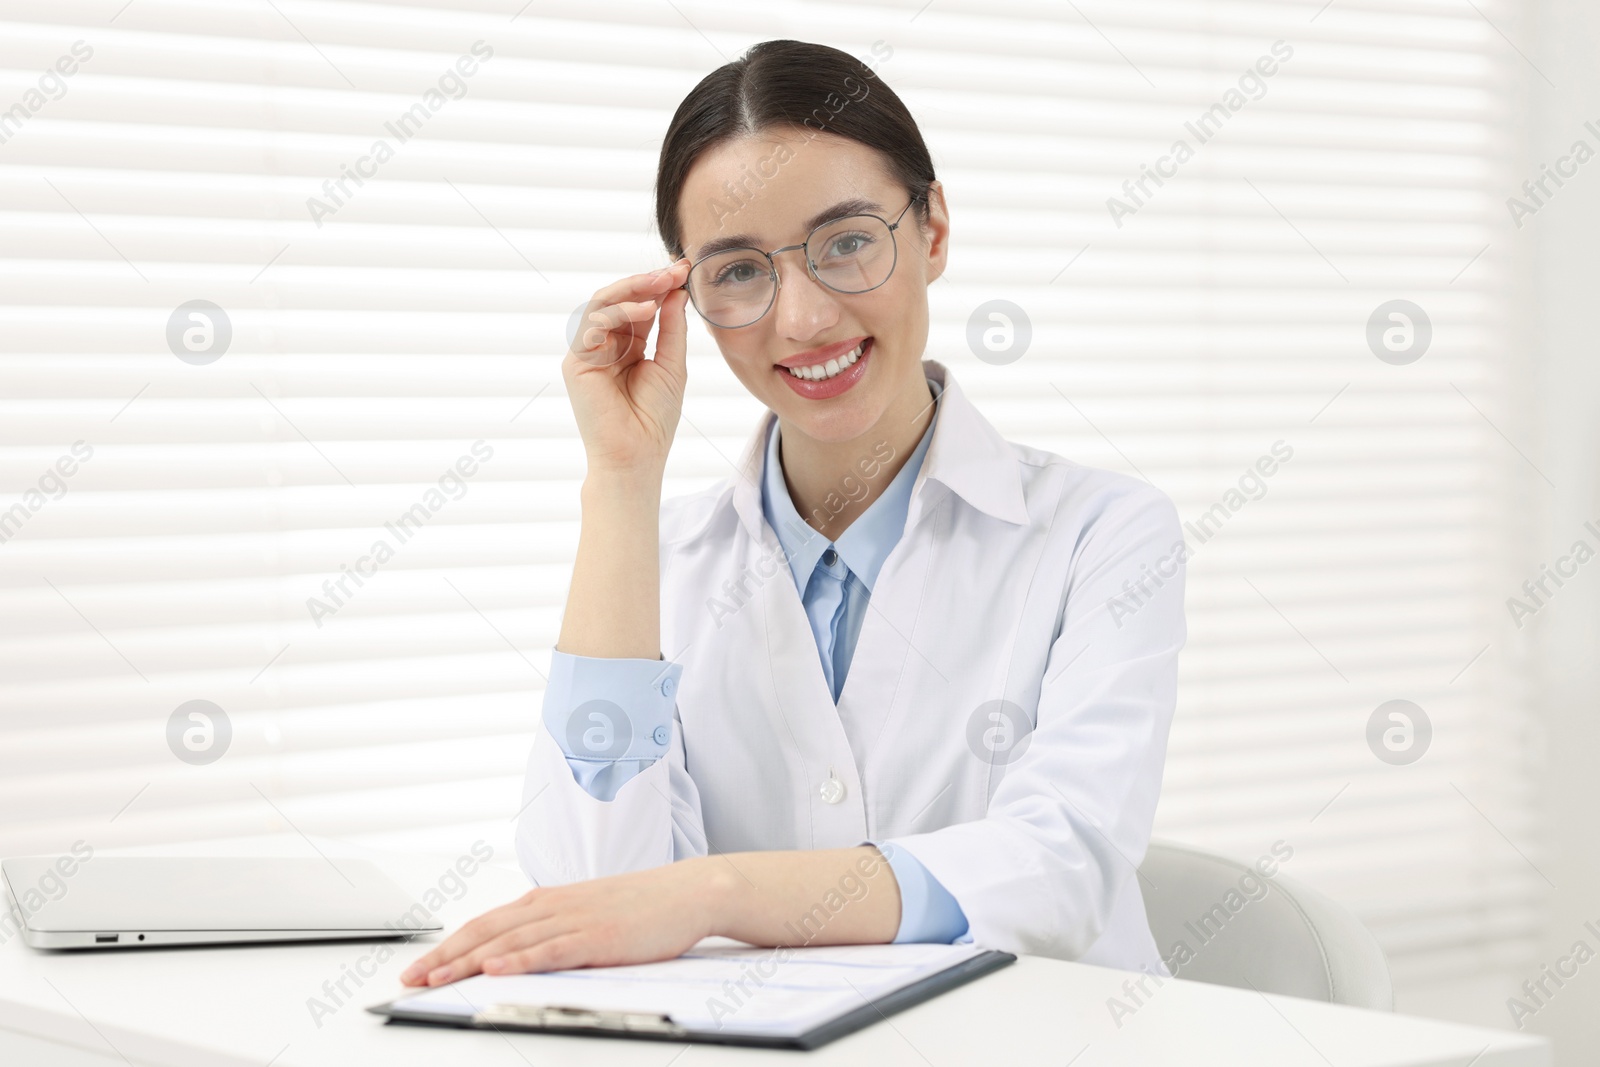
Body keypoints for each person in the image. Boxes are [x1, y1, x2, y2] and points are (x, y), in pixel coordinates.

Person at [400, 38, 1186, 990]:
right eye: (738, 271)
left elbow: (1060, 864)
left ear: (932, 229)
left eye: (847, 241)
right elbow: (595, 893)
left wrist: (719, 890)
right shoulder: (659, 561)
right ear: (684, 294)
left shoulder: (1103, 533)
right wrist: (619, 481)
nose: (804, 318)